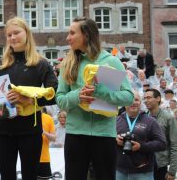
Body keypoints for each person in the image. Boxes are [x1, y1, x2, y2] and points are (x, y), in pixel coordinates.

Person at [56, 17, 134, 180]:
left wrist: (101, 92)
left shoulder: (112, 61)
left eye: (72, 33)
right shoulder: (68, 63)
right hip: (75, 134)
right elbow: (60, 99)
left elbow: (128, 97)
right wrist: (78, 95)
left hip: (104, 135)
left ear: (86, 35)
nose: (67, 38)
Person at [0, 17, 58, 180]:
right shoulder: (1, 64)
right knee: (6, 177)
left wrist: (29, 100)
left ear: (27, 33)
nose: (13, 37)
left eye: (16, 33)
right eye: (9, 35)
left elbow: (55, 94)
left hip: (30, 130)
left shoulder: (41, 63)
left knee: (30, 176)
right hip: (3, 130)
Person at [116, 91, 166, 180]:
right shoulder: (116, 120)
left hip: (143, 172)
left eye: (136, 100)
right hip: (119, 171)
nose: (133, 102)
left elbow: (162, 144)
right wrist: (115, 140)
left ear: (140, 102)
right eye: (130, 99)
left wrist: (141, 146)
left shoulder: (150, 121)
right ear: (124, 103)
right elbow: (105, 140)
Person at [144, 88, 177, 180]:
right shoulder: (142, 117)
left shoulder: (169, 118)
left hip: (160, 166)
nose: (146, 101)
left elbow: (175, 145)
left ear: (158, 98)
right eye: (144, 98)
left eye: (148, 97)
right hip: (143, 165)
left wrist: (172, 171)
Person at [38, 107, 56, 180]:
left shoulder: (48, 118)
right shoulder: (27, 118)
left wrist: (45, 132)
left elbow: (54, 138)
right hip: (29, 158)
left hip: (44, 158)